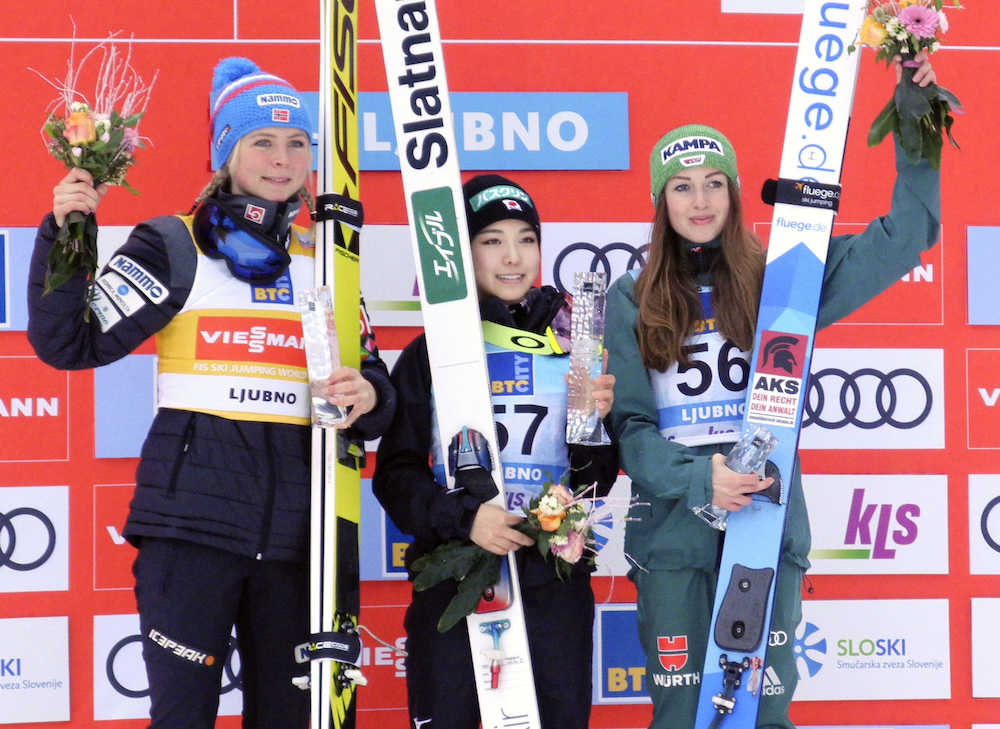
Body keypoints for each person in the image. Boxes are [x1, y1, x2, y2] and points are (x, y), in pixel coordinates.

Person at [27, 57, 395, 729]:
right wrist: (68, 234)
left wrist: (369, 393)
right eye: (261, 141)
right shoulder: (174, 243)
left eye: (297, 143)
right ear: (226, 152)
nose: (282, 160)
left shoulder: (331, 257)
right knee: (182, 718)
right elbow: (68, 342)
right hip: (191, 530)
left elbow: (375, 385)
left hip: (298, 541)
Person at [604, 55, 941, 729]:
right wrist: (704, 478)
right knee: (681, 716)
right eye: (682, 187)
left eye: (714, 184)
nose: (699, 201)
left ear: (732, 194)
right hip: (673, 537)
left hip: (766, 523)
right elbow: (632, 434)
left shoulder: (781, 282)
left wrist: (915, 115)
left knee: (763, 716)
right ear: (660, 202)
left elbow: (907, 236)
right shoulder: (630, 299)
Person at [373, 174, 618, 729]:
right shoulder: (431, 352)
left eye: (526, 238)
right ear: (464, 254)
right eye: (492, 240)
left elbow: (596, 482)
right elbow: (397, 475)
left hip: (553, 578)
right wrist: (465, 519)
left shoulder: (574, 345)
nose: (513, 257)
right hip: (453, 577)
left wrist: (594, 426)